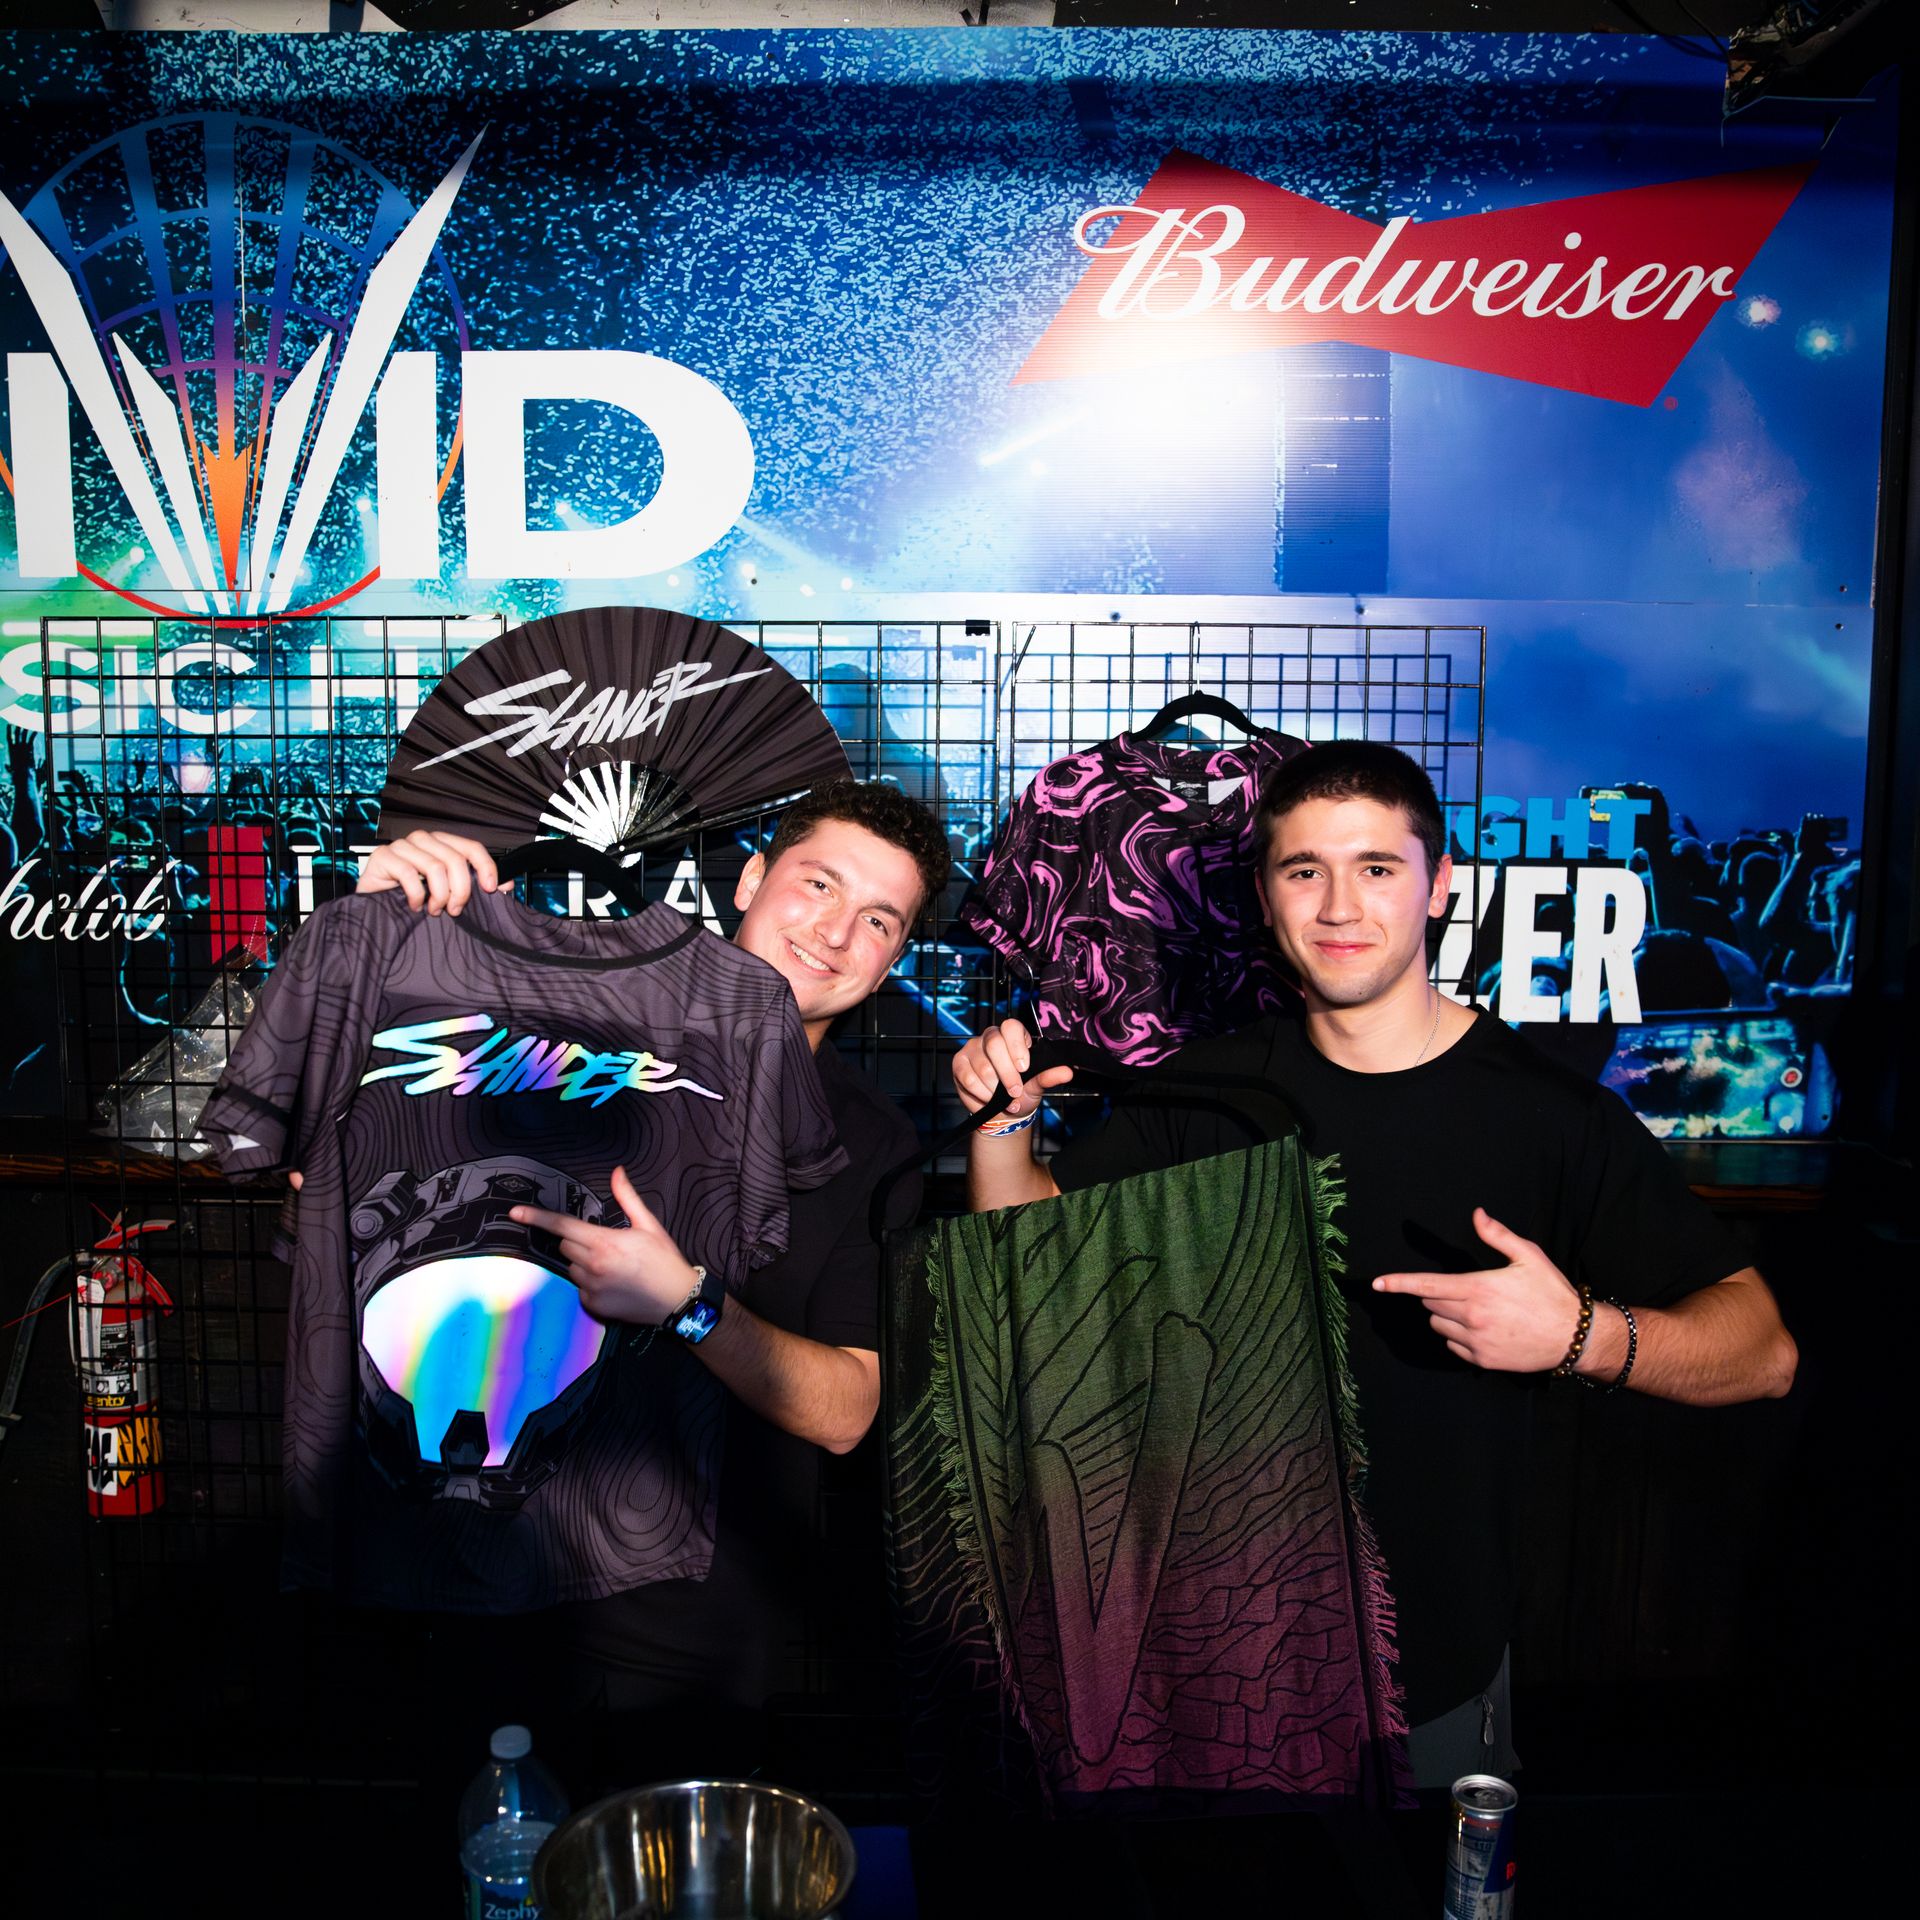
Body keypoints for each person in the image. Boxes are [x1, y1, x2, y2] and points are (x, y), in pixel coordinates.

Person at [952, 740, 1796, 1792]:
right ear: (1264, 897)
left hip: (1427, 1673)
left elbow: (1762, 1352)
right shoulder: (1208, 1089)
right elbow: (1028, 1264)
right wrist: (1002, 1125)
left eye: (1377, 868)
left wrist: (1578, 1335)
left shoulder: (1549, 1116)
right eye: (1304, 870)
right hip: (1202, 1659)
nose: (1339, 906)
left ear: (1439, 886)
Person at [348, 778, 950, 1783]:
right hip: (489, 1579)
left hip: (695, 1633)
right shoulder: (564, 1038)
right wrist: (376, 928)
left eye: (879, 920)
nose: (836, 932)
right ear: (750, 882)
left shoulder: (873, 1145)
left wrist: (690, 1305)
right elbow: (342, 1121)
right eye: (817, 885)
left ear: (894, 959)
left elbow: (850, 1411)